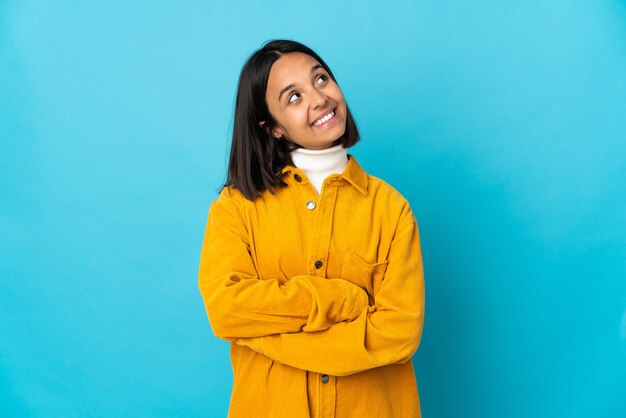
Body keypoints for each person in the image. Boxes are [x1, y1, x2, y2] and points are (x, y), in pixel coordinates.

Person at [198, 39, 426, 418]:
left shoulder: (391, 209)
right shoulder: (236, 207)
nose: (319, 99)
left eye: (321, 79)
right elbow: (226, 310)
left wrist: (262, 334)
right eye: (293, 97)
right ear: (271, 127)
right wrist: (343, 300)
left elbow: (399, 334)